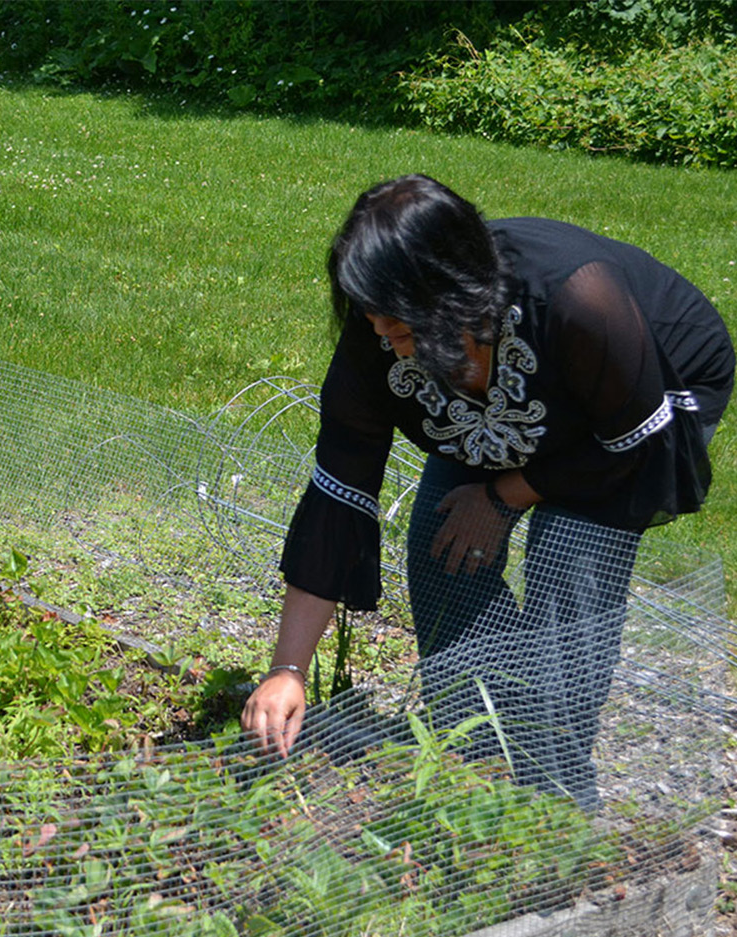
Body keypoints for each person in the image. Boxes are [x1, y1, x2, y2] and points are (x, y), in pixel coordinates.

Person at [240, 174, 732, 810]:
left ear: (452, 302)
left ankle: (551, 805)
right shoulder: (382, 330)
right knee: (444, 557)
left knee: (570, 578)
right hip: (493, 415)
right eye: (378, 327)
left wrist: (506, 495)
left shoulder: (577, 299)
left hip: (631, 411)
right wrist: (288, 670)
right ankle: (469, 771)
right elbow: (340, 488)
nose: (388, 346)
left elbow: (634, 445)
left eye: (404, 332)